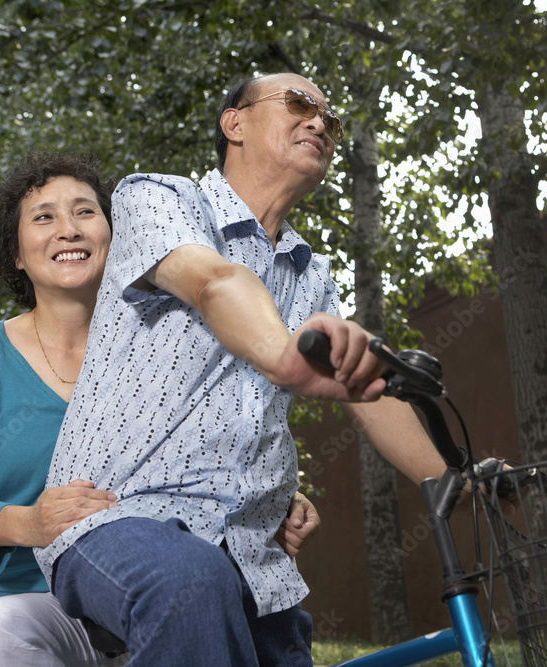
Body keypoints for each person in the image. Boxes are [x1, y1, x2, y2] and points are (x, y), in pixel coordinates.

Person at [35, 73, 447, 666]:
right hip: (119, 518)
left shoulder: (312, 275)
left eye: (330, 119)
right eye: (300, 105)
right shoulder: (158, 199)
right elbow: (213, 282)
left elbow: (369, 394)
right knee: (191, 583)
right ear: (234, 123)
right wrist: (287, 358)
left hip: (255, 553)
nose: (319, 124)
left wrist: (455, 482)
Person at [0, 153, 321, 667]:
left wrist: (275, 496)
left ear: (118, 234)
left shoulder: (166, 343)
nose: (68, 230)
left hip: (90, 604)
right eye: (43, 217)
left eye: (85, 212)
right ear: (16, 253)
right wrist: (28, 523)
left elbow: (216, 436)